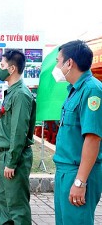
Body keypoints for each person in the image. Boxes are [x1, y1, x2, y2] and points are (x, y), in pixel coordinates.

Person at [52, 40, 102, 225]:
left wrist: (80, 182)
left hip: (79, 172)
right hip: (66, 170)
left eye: (58, 61)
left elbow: (93, 138)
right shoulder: (74, 91)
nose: (57, 66)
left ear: (69, 63)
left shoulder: (92, 90)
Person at [0, 49, 36, 225]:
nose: (0, 69)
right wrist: (1, 152)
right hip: (6, 154)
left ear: (11, 69)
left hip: (15, 158)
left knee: (17, 206)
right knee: (5, 202)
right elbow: (6, 127)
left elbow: (18, 132)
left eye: (2, 65)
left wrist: (11, 161)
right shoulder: (11, 92)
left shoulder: (21, 94)